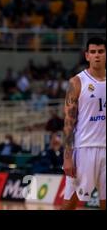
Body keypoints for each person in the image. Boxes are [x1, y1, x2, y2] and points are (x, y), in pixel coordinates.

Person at [62, 37, 106, 210]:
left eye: (101, 51)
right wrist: (67, 157)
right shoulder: (77, 82)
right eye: (93, 52)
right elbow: (68, 123)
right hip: (84, 149)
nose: (97, 56)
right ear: (87, 55)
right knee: (69, 204)